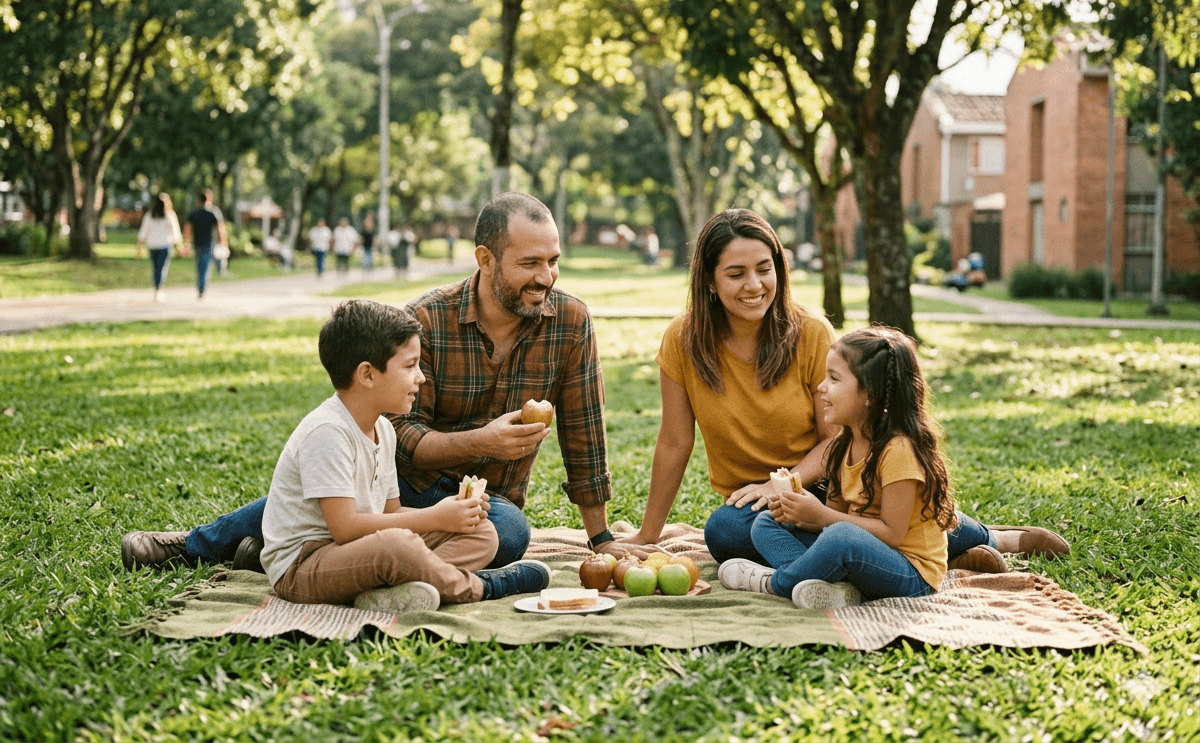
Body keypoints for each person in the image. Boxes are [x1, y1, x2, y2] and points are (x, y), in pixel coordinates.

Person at [121, 192, 648, 573]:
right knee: (343, 503)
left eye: (553, 261)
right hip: (398, 485)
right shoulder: (426, 319)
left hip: (488, 499)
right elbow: (399, 428)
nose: (546, 277)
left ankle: (303, 556)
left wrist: (600, 535)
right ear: (486, 260)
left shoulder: (571, 322)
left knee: (509, 534)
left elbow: (584, 429)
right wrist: (480, 441)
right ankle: (194, 545)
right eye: (530, 263)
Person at [616, 208, 1069, 574]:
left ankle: (992, 538)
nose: (754, 286)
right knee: (724, 532)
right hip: (753, 504)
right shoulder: (683, 340)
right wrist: (647, 534)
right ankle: (926, 557)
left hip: (831, 486)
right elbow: (675, 441)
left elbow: (837, 437)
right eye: (736, 274)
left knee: (878, 524)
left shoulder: (810, 332)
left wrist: (788, 485)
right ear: (710, 282)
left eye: (764, 269)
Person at [262, 299, 550, 611]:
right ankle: (482, 586)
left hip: (360, 554)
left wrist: (452, 513)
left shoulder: (384, 430)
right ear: (368, 375)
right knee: (396, 546)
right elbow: (344, 529)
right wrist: (434, 516)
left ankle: (398, 590)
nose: (421, 377)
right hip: (305, 566)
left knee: (482, 533)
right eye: (410, 366)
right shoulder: (328, 431)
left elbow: (392, 513)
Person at [718, 326, 956, 608]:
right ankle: (829, 587)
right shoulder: (842, 445)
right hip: (857, 557)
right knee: (766, 522)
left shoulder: (899, 451)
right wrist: (803, 514)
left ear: (870, 393)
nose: (821, 387)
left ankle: (775, 583)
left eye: (833, 378)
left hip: (911, 573)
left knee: (841, 538)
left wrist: (821, 517)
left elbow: (891, 534)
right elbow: (834, 516)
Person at [135, 193, 183, 302]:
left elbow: (143, 232)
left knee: (157, 268)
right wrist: (178, 246)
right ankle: (158, 289)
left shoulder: (152, 215)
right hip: (163, 246)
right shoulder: (167, 215)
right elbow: (176, 233)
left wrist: (139, 247)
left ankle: (157, 289)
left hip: (155, 246)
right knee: (160, 268)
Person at [183, 189, 227, 299]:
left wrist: (187, 244)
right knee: (205, 265)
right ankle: (202, 287)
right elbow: (220, 229)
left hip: (197, 243)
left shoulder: (193, 212)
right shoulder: (213, 211)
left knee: (201, 265)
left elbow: (187, 229)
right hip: (209, 243)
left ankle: (201, 287)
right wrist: (223, 242)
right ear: (209, 198)